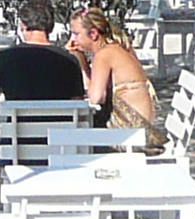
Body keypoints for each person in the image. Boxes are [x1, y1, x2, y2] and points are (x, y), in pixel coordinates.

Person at [0, 12, 87, 106]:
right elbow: (78, 105)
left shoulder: (5, 58)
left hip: (18, 140)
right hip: (59, 140)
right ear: (51, 27)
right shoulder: (69, 61)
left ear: (22, 26)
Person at [68, 8, 161, 140]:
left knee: (71, 136)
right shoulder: (115, 47)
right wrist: (81, 59)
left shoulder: (104, 54)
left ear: (93, 34)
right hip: (140, 130)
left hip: (132, 136)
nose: (73, 39)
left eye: (76, 34)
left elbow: (96, 98)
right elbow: (93, 87)